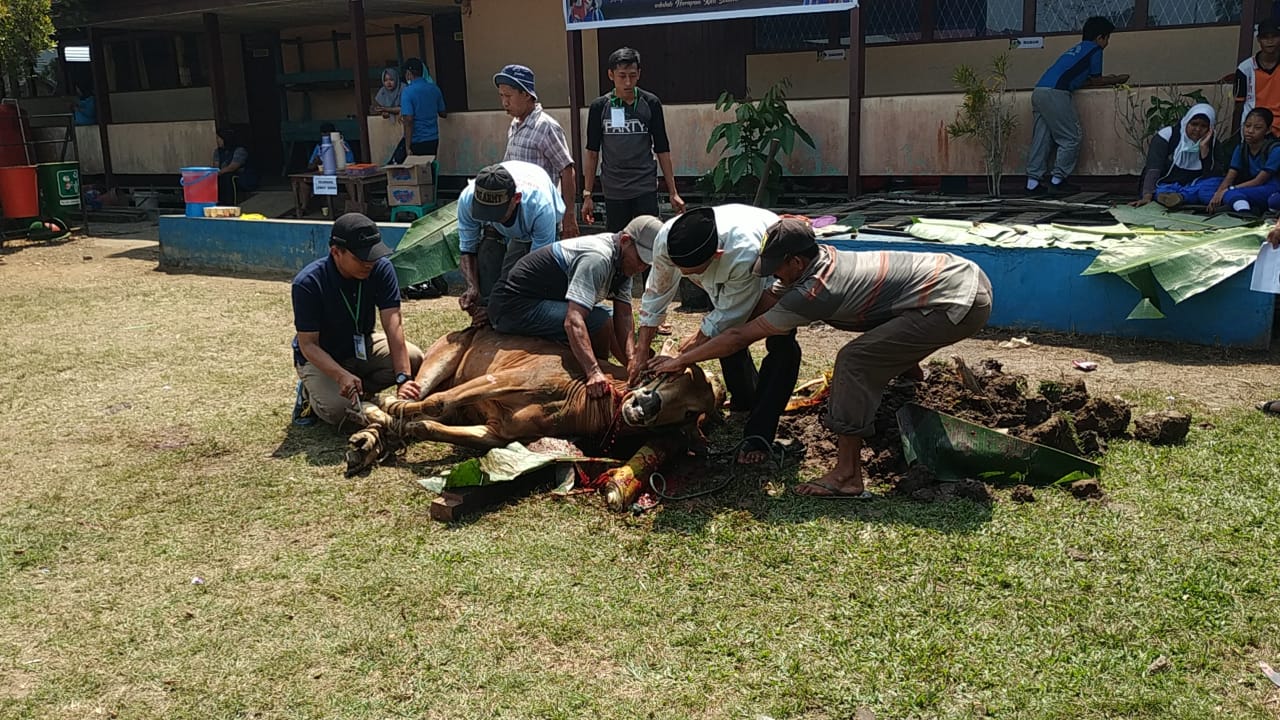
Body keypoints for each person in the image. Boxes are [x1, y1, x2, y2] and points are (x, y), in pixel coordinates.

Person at [649, 218, 993, 498]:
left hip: (957, 302)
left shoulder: (815, 290)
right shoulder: (819, 260)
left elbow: (741, 336)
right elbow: (760, 308)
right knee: (881, 329)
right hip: (957, 277)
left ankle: (847, 476)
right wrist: (716, 327)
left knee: (854, 361)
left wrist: (683, 359)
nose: (774, 275)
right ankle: (909, 373)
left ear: (795, 262)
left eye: (776, 268)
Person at [634, 205, 802, 465]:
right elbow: (657, 292)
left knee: (781, 343)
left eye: (690, 272)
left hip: (769, 272)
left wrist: (681, 356)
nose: (685, 276)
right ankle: (744, 399)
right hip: (728, 280)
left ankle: (760, 432)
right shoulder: (668, 239)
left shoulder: (744, 256)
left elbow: (727, 323)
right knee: (723, 336)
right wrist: (641, 350)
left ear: (716, 255)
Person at [488, 215, 662, 397]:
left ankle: (607, 369)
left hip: (543, 301)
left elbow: (624, 314)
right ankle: (595, 372)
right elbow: (573, 320)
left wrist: (632, 359)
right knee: (601, 320)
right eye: (641, 259)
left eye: (647, 263)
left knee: (607, 316)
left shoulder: (624, 261)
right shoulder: (598, 258)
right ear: (625, 241)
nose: (642, 267)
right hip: (512, 307)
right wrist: (593, 371)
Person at [291, 213, 424, 427]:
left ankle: (358, 394)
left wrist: (403, 378)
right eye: (362, 258)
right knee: (336, 411)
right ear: (336, 252)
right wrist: (340, 375)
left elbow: (393, 324)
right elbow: (309, 345)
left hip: (362, 345)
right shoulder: (308, 283)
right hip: (323, 356)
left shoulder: (380, 268)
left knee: (414, 358)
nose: (369, 263)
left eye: (374, 255)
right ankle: (309, 393)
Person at [582, 47, 685, 232]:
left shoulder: (651, 103)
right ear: (611, 75)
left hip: (644, 186)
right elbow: (592, 152)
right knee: (618, 241)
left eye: (632, 75)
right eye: (622, 76)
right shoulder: (599, 107)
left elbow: (662, 148)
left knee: (648, 239)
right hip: (614, 188)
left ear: (639, 74)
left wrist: (673, 191)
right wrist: (587, 194)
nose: (627, 82)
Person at [456, 161, 566, 326]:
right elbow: (467, 249)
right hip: (499, 230)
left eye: (497, 213)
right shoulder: (467, 199)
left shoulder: (541, 208)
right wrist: (473, 287)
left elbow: (536, 269)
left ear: (516, 198)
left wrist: (499, 307)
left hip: (534, 230)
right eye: (485, 212)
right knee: (488, 258)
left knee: (540, 290)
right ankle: (487, 318)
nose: (491, 217)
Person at [1025, 16, 1115, 196]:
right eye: (1107, 38)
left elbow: (1078, 78)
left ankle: (1032, 183)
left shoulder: (1075, 49)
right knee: (1071, 137)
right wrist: (1116, 79)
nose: (1107, 43)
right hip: (1056, 93)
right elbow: (1096, 80)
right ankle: (1058, 180)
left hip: (1040, 90)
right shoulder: (1095, 50)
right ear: (1100, 38)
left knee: (1042, 139)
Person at [495, 64, 580, 238]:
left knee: (540, 263)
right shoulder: (515, 125)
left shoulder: (545, 127)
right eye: (502, 96)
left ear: (526, 94)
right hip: (517, 218)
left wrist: (569, 215)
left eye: (509, 96)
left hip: (542, 217)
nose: (505, 102)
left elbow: (567, 169)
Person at [1164, 108, 1280, 214]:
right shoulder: (1241, 148)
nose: (1250, 131)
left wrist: (1229, 189)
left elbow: (1259, 181)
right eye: (1247, 126)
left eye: (1257, 128)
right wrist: (1218, 193)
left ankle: (1244, 213)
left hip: (1268, 187)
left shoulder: (1274, 150)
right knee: (1208, 190)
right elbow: (1230, 176)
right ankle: (1236, 206)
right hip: (1245, 187)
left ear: (1268, 130)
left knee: (1232, 193)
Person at [1130, 103, 1223, 208]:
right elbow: (1154, 168)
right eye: (1194, 124)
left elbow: (1213, 175)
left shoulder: (1212, 143)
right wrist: (1147, 197)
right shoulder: (1167, 136)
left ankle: (1181, 197)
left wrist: (1204, 150)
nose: (1197, 129)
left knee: (1213, 187)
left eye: (1203, 126)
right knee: (1161, 190)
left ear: (1210, 129)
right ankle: (1176, 197)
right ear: (1186, 122)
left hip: (1194, 185)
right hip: (1167, 184)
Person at [1235, 18, 1280, 138]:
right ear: (1259, 40)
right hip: (1255, 129)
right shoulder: (1245, 68)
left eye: (1274, 36)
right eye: (1265, 37)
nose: (1270, 41)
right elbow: (1239, 105)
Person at [400, 58, 447, 157]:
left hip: (417, 139)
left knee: (416, 171)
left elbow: (408, 120)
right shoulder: (434, 89)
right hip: (433, 138)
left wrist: (407, 147)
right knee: (429, 168)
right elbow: (443, 113)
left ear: (408, 73)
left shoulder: (407, 92)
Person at [213, 128, 253, 206]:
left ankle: (229, 204)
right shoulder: (217, 151)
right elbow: (216, 166)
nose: (217, 140)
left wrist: (219, 173)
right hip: (222, 174)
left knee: (228, 176)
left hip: (241, 176)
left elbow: (233, 167)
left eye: (218, 138)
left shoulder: (239, 150)